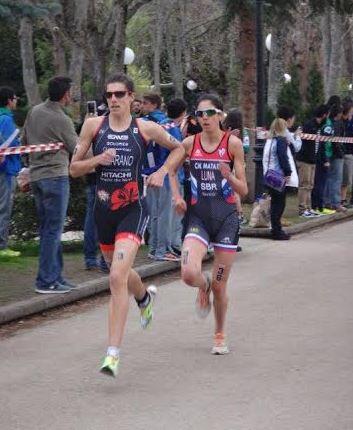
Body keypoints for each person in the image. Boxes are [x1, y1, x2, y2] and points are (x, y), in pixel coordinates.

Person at [70, 73, 183, 377]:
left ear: (132, 97)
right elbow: (73, 168)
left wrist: (163, 172)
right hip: (104, 212)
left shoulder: (145, 128)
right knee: (119, 273)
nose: (114, 100)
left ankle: (113, 354)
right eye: (109, 95)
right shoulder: (94, 126)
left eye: (120, 94)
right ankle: (144, 297)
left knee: (116, 276)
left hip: (133, 209)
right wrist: (97, 160)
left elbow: (179, 148)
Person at [149, 94, 248, 354]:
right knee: (188, 273)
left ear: (220, 115)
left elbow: (245, 190)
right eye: (200, 114)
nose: (205, 118)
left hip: (226, 221)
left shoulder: (233, 144)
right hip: (198, 219)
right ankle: (202, 287)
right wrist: (177, 196)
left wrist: (230, 177)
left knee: (220, 284)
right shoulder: (190, 143)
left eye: (210, 112)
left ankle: (219, 334)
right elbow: (170, 169)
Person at [22, 76, 78, 293]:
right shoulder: (62, 119)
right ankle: (46, 281)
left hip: (37, 176)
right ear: (65, 95)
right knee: (53, 231)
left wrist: (30, 165)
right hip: (56, 176)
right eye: (71, 91)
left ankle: (56, 276)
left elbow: (23, 142)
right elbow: (77, 148)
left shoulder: (34, 111)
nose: (72, 95)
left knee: (47, 229)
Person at [141, 93, 178, 261]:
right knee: (165, 213)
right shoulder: (167, 124)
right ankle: (163, 250)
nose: (141, 106)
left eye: (145, 103)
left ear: (153, 104)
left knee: (155, 213)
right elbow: (178, 149)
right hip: (165, 172)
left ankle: (155, 248)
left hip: (148, 171)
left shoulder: (144, 123)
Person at [160, 98, 188, 256]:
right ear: (183, 113)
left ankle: (163, 246)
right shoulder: (174, 129)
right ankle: (172, 245)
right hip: (173, 174)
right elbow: (180, 151)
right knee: (173, 214)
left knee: (161, 214)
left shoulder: (161, 125)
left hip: (159, 172)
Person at [263, 118, 295, 240]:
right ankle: (277, 230)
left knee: (274, 203)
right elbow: (283, 158)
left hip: (269, 175)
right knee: (279, 204)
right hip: (278, 175)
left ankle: (275, 228)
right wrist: (288, 172)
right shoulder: (281, 141)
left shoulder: (269, 140)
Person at [0, 87, 22, 258]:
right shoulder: (6, 120)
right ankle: (2, 246)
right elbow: (10, 145)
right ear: (8, 100)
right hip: (6, 171)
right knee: (4, 209)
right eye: (15, 98)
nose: (16, 101)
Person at [296, 105, 329, 217]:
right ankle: (302, 208)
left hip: (313, 160)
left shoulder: (320, 127)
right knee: (304, 184)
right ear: (324, 114)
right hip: (305, 160)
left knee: (310, 185)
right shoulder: (309, 125)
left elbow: (321, 144)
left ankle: (308, 208)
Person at [340, 101, 353, 208]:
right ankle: (341, 200)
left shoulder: (350, 121)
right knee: (344, 178)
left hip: (350, 153)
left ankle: (344, 199)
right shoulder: (342, 122)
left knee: (347, 179)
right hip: (345, 152)